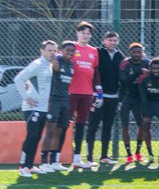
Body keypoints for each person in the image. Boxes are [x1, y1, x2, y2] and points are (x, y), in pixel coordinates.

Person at [14, 40, 56, 178]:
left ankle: (30, 165)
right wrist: (26, 97)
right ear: (42, 51)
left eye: (54, 50)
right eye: (49, 50)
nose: (52, 53)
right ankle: (23, 166)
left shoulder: (49, 66)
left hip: (43, 108)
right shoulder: (37, 64)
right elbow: (19, 78)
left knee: (37, 136)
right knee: (31, 136)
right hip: (32, 108)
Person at [84, 30, 124, 166]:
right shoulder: (97, 52)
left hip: (113, 97)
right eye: (110, 40)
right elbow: (93, 71)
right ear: (104, 41)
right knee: (93, 125)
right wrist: (96, 92)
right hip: (98, 96)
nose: (112, 43)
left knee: (108, 126)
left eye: (114, 40)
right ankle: (89, 157)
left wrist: (120, 98)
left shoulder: (120, 56)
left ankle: (104, 156)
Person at [66, 21, 102, 169]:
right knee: (63, 125)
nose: (85, 35)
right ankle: (55, 158)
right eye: (83, 32)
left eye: (88, 33)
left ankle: (76, 158)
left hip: (86, 93)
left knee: (81, 125)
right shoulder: (70, 49)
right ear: (77, 33)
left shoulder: (94, 51)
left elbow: (95, 71)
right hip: (70, 92)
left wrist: (98, 91)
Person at [44, 41, 77, 171]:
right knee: (50, 131)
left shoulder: (72, 64)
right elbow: (51, 66)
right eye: (67, 50)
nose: (70, 53)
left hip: (66, 100)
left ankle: (54, 161)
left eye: (72, 51)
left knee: (60, 131)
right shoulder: (57, 61)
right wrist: (53, 57)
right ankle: (44, 161)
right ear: (61, 51)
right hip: (54, 100)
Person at [117, 43, 150, 164]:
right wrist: (140, 75)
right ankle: (128, 154)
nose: (137, 54)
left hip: (139, 99)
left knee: (141, 125)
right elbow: (124, 81)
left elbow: (157, 72)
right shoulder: (125, 63)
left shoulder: (146, 63)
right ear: (130, 53)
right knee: (125, 126)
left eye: (139, 52)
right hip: (125, 98)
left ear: (142, 53)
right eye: (134, 52)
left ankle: (137, 152)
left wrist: (149, 73)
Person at [138, 58, 159, 164]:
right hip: (148, 104)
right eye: (154, 68)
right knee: (145, 125)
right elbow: (143, 97)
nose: (156, 70)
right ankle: (150, 154)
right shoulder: (145, 80)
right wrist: (145, 109)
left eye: (158, 68)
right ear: (150, 68)